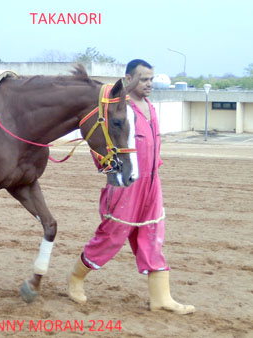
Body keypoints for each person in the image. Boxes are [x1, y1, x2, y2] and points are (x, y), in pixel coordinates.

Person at [67, 59, 195, 315]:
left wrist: (154, 176)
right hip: (124, 184)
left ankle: (161, 297)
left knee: (152, 235)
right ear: (128, 79)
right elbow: (100, 145)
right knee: (112, 236)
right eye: (144, 79)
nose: (150, 84)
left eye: (151, 79)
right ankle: (75, 279)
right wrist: (111, 173)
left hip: (150, 183)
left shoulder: (150, 107)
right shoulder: (118, 110)